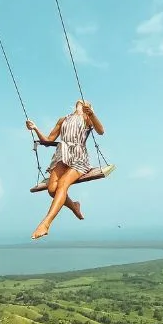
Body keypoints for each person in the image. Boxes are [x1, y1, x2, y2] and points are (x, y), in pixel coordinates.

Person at [25, 99, 105, 240]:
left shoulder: (87, 118)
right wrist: (35, 128)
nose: (81, 102)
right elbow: (48, 139)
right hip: (61, 156)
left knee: (62, 184)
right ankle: (74, 206)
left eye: (85, 102)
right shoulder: (63, 120)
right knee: (52, 189)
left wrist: (92, 114)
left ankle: (46, 224)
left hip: (79, 157)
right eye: (80, 102)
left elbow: (101, 131)